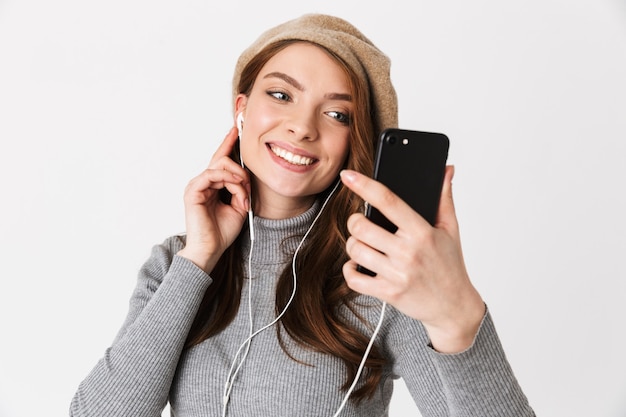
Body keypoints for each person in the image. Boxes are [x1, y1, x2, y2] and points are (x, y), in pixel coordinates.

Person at [70, 13, 535, 417]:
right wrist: (200, 258)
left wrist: (458, 318)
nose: (302, 127)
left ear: (357, 143)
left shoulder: (380, 276)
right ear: (242, 111)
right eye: (280, 94)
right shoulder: (176, 263)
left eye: (337, 115)